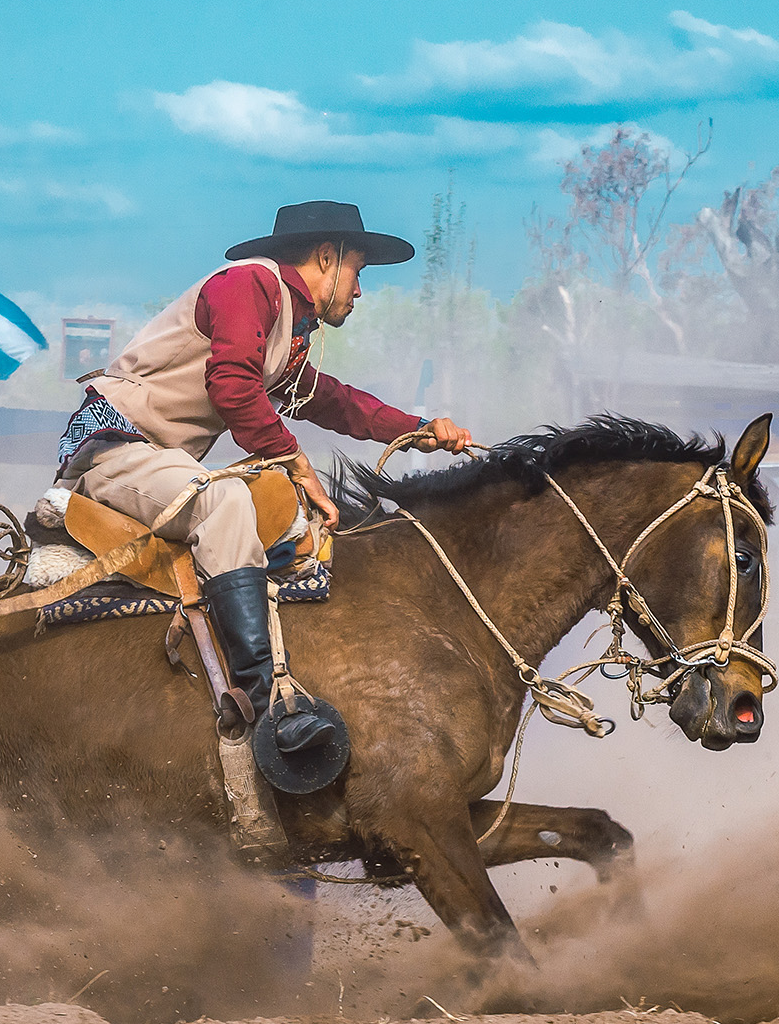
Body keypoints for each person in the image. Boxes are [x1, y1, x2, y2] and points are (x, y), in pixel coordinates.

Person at [55, 201, 472, 753]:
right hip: (114, 451)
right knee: (227, 503)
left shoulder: (284, 320)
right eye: (357, 272)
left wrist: (417, 428)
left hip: (158, 460)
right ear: (327, 256)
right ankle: (265, 707)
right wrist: (298, 465)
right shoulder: (247, 285)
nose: (360, 290)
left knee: (277, 512)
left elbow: (331, 400)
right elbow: (233, 387)